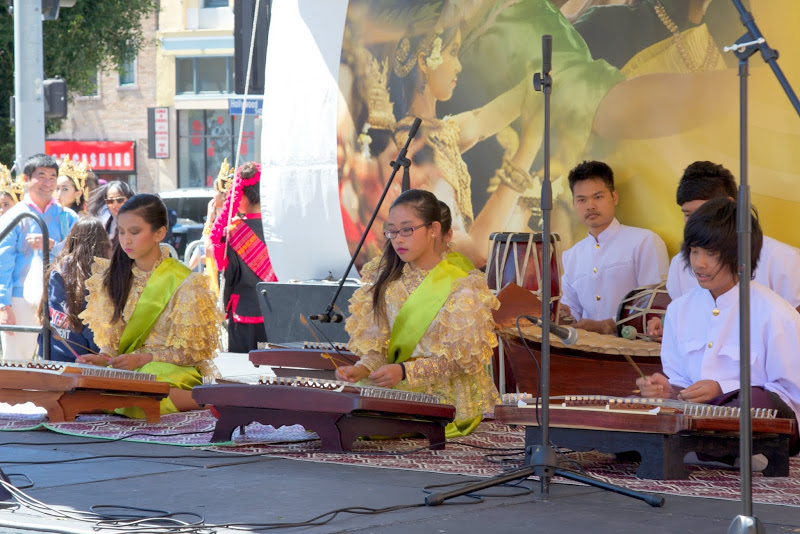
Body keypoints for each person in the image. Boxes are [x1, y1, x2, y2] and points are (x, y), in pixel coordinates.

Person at [637, 197, 800, 456]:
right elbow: (680, 381)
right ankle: (698, 446)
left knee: (753, 403)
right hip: (696, 415)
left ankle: (700, 446)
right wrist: (667, 389)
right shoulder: (679, 310)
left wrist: (722, 389)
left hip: (758, 419)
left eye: (711, 254)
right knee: (635, 406)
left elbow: (789, 396)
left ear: (741, 256)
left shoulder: (776, 313)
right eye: (694, 251)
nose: (699, 263)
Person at [336, 189, 500, 437]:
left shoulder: (462, 286)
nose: (398, 239)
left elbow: (461, 361)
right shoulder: (386, 282)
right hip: (397, 384)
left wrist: (404, 371)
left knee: (361, 421)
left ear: (434, 229)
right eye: (392, 231)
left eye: (407, 229)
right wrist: (361, 369)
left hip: (444, 396)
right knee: (338, 409)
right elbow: (381, 351)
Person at [78, 194, 221, 417]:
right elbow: (114, 344)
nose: (125, 240)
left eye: (134, 232)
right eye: (122, 231)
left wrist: (144, 359)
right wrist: (103, 358)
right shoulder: (112, 277)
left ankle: (204, 401)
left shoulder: (186, 282)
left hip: (173, 370)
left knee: (145, 381)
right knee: (89, 382)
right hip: (129, 370)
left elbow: (191, 353)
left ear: (160, 233)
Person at [665, 161, 800, 308]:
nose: (695, 223)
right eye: (688, 215)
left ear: (730, 205)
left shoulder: (783, 258)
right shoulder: (679, 264)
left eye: (704, 212)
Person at [559, 160, 668, 334]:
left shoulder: (644, 241)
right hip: (584, 354)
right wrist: (564, 315)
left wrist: (607, 325)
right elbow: (572, 311)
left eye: (598, 197)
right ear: (574, 204)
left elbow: (654, 307)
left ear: (614, 197)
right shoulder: (571, 256)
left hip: (633, 354)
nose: (590, 206)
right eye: (581, 200)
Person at [0, 154, 78, 360]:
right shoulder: (14, 215)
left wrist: (53, 246)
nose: (48, 182)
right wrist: (3, 305)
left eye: (52, 177)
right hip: (19, 299)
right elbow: (2, 262)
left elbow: (81, 251)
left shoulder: (67, 216)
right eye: (41, 176)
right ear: (26, 179)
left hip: (59, 297)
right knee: (16, 361)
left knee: (54, 362)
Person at [210, 162, 276, 353]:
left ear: (243, 195)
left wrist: (225, 304)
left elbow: (228, 274)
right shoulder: (278, 228)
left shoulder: (233, 231)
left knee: (243, 370)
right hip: (276, 310)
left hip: (243, 311)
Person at [36, 218, 110, 361]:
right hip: (86, 356)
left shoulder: (56, 269)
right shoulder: (98, 273)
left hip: (54, 351)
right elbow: (92, 323)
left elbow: (51, 310)